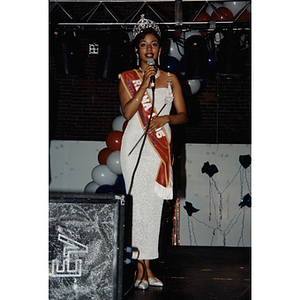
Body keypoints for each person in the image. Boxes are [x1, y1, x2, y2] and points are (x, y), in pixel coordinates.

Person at [119, 15, 188, 290]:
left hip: (159, 149)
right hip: (135, 148)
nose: (149, 49)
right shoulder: (127, 78)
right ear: (137, 49)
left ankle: (149, 267)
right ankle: (139, 269)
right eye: (144, 44)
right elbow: (127, 112)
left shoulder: (171, 79)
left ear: (160, 49)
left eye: (154, 44)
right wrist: (143, 86)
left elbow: (183, 115)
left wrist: (166, 120)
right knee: (136, 207)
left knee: (153, 208)